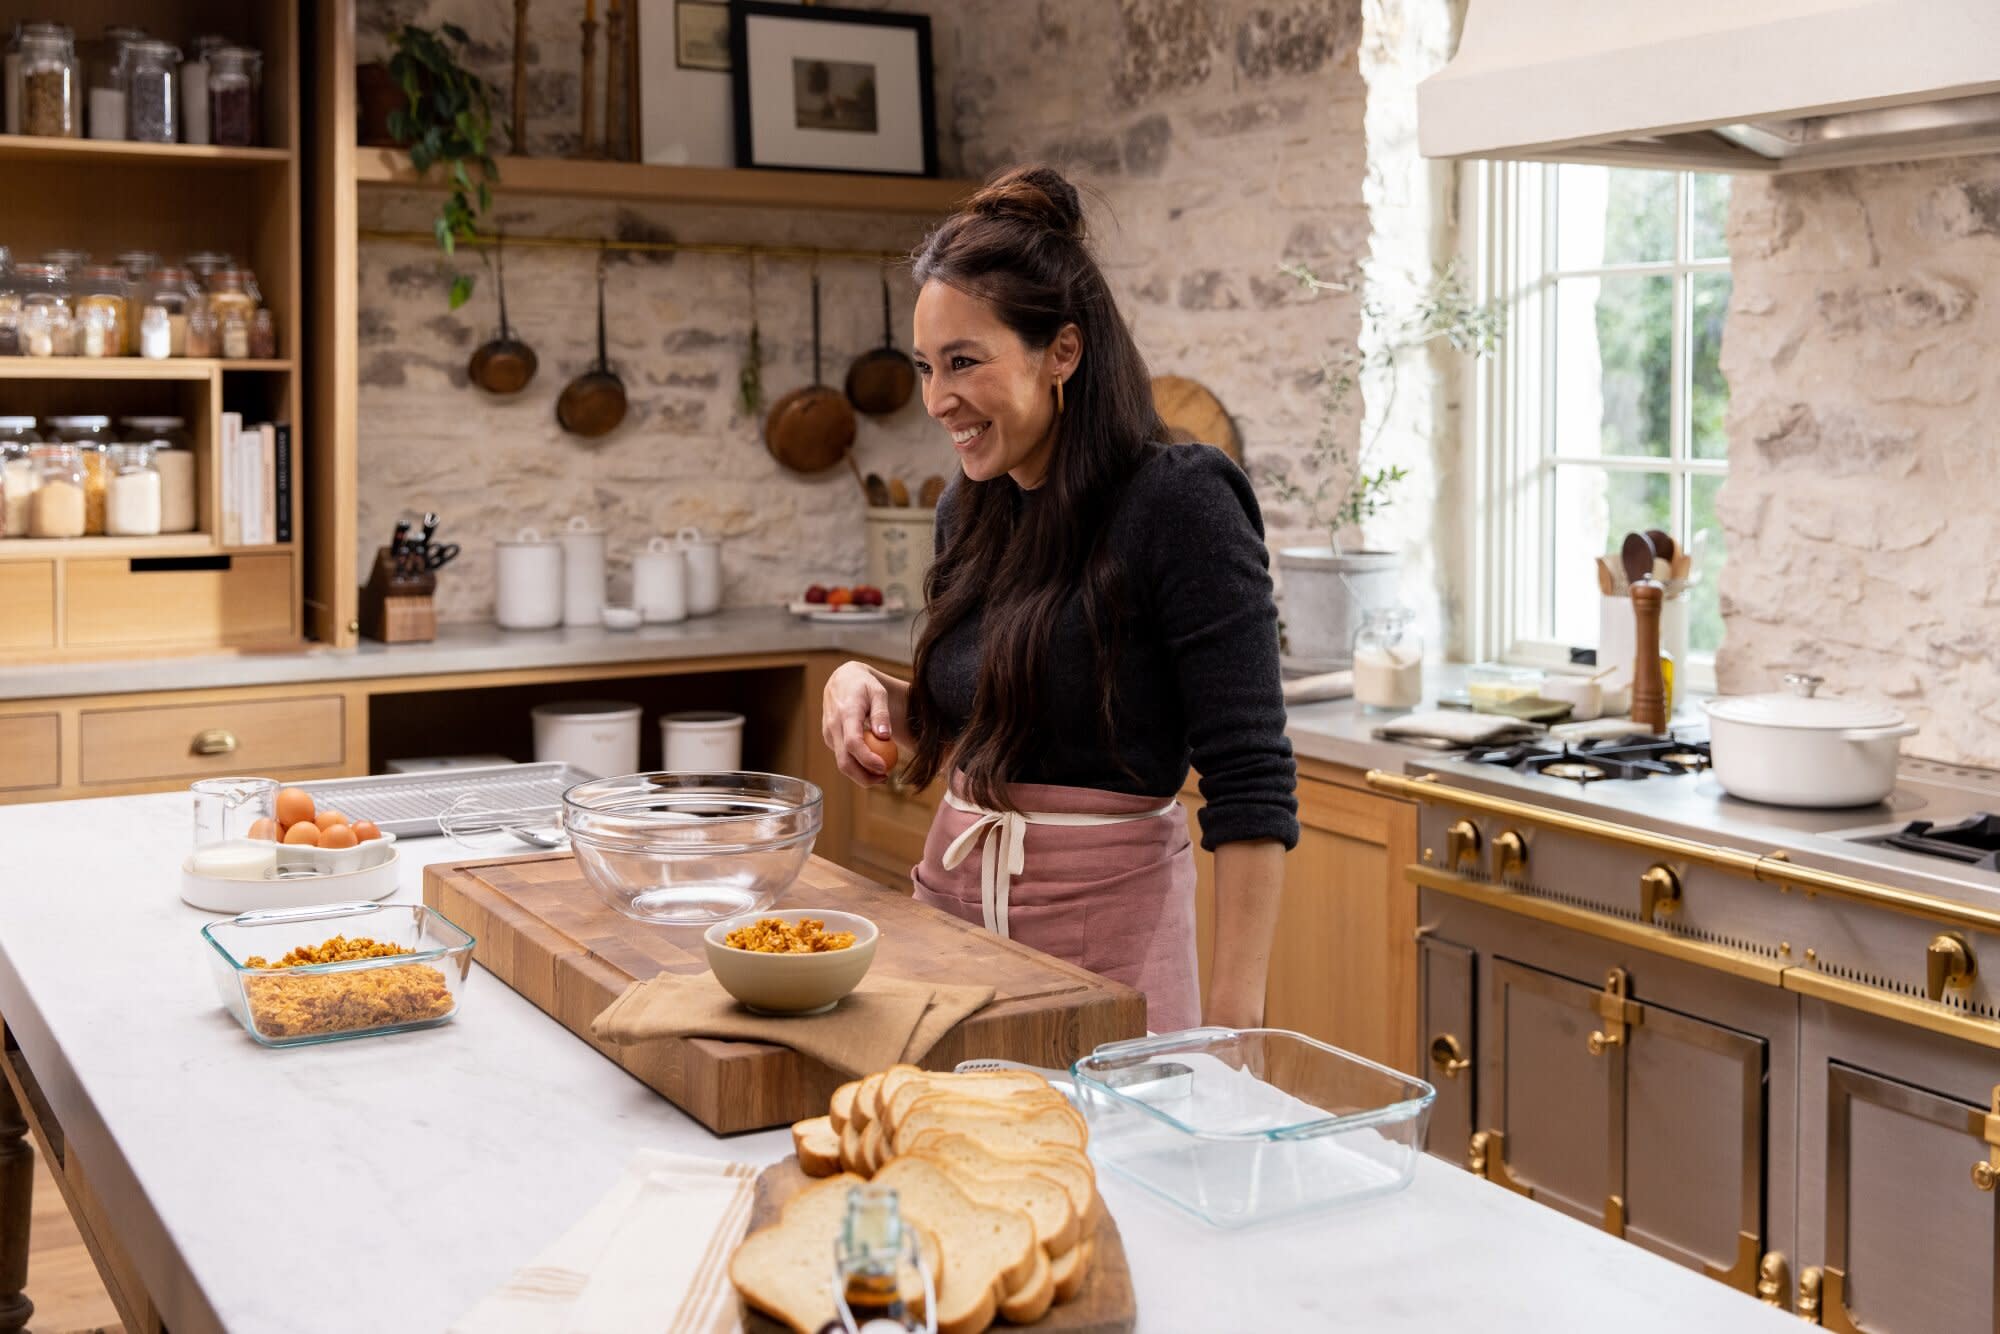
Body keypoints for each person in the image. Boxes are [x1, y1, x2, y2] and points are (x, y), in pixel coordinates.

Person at [819, 165, 1297, 1032]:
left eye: (964, 362)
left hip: (1108, 941)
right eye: (927, 367)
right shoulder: (969, 506)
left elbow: (1251, 780)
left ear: (1063, 352)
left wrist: (1237, 1036)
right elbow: (995, 719)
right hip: (953, 930)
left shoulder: (1179, 501)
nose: (937, 401)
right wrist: (868, 687)